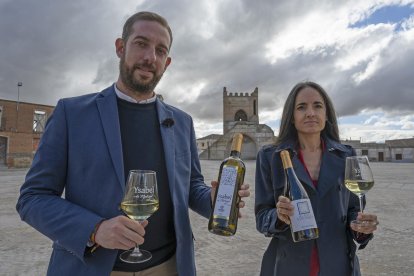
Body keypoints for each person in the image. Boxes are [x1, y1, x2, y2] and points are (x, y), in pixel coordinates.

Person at [16, 11, 250, 276]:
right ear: (120, 47)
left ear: (167, 61)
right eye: (141, 44)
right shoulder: (72, 113)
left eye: (160, 50)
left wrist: (213, 199)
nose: (150, 57)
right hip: (92, 268)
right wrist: (94, 229)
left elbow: (191, 186)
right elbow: (32, 198)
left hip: (168, 267)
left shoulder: (182, 122)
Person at [255, 81, 378, 276]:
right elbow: (262, 218)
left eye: (318, 106)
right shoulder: (271, 157)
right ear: (292, 116)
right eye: (301, 107)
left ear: (326, 114)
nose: (310, 113)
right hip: (288, 266)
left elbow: (353, 210)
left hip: (338, 266)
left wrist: (361, 228)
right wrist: (278, 217)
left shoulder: (346, 155)